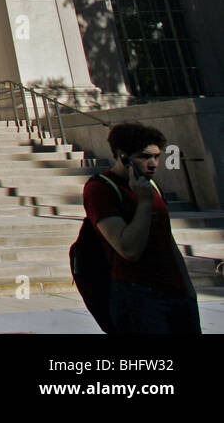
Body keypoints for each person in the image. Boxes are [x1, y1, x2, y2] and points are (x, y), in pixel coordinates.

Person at [82, 121, 200, 334]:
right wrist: (144, 203)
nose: (154, 164)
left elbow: (167, 240)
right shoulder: (101, 188)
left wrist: (189, 289)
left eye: (157, 156)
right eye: (145, 157)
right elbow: (128, 250)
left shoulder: (152, 185)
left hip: (177, 292)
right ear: (122, 155)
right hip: (138, 295)